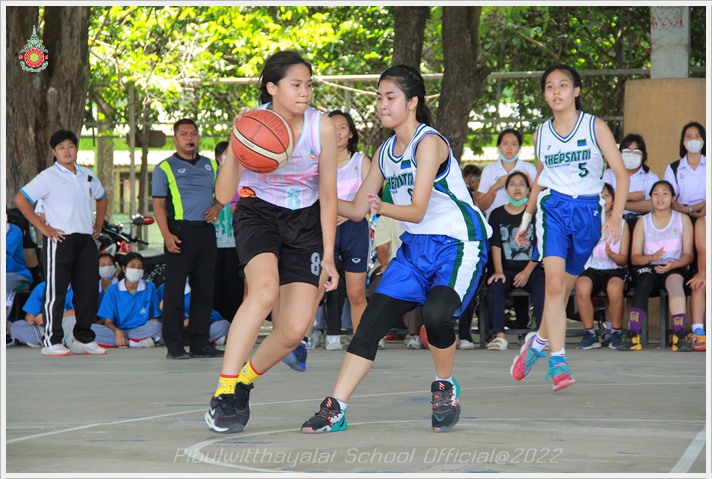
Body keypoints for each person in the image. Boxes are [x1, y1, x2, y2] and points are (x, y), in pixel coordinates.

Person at [301, 64, 491, 434]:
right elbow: (356, 208)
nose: (382, 105)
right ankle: (335, 408)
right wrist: (312, 195)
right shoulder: (386, 151)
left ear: (412, 102)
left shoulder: (429, 143)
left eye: (390, 97)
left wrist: (381, 207)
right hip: (415, 249)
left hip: (457, 242)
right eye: (378, 97)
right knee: (370, 324)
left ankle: (445, 386)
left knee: (437, 315)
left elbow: (417, 210)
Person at [205, 50, 338, 434]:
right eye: (297, 85)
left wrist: (328, 256)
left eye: (309, 84)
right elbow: (224, 192)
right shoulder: (252, 124)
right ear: (272, 88)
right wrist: (235, 145)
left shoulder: (321, 127)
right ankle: (225, 390)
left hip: (306, 221)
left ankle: (246, 380)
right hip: (257, 211)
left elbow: (328, 194)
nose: (305, 92)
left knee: (295, 328)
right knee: (263, 292)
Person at [511, 64, 629, 391]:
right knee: (552, 284)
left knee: (563, 290)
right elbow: (540, 179)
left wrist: (616, 216)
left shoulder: (595, 127)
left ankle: (537, 343)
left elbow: (621, 174)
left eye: (563, 85)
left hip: (589, 211)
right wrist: (525, 218)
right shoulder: (542, 133)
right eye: (550, 86)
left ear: (576, 90)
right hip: (553, 207)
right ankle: (558, 360)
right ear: (545, 94)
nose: (556, 91)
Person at [14, 129, 108, 357]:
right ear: (54, 152)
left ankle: (83, 338)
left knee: (87, 291)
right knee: (56, 291)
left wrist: (98, 225)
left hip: (86, 239)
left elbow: (102, 196)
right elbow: (21, 199)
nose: (67, 151)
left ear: (76, 149)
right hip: (60, 240)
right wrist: (44, 228)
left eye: (71, 146)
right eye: (61, 148)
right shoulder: (48, 176)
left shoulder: (87, 174)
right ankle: (52, 340)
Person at [152, 118, 224, 360]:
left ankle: (200, 343)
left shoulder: (209, 165)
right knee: (174, 291)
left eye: (193, 133)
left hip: (205, 231)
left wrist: (218, 206)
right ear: (175, 139)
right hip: (179, 233)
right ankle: (173, 345)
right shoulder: (164, 168)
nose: (190, 138)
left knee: (204, 288)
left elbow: (224, 191)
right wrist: (167, 235)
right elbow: (159, 205)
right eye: (184, 134)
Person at [621, 180, 694, 351]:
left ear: (673, 198)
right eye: (656, 194)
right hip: (648, 266)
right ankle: (634, 335)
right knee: (644, 281)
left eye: (665, 193)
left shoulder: (682, 219)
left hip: (674, 266)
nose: (660, 197)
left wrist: (672, 265)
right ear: (650, 198)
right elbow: (635, 258)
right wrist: (651, 257)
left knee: (675, 282)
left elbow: (688, 256)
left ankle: (679, 334)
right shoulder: (643, 222)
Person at [321, 110, 371, 350]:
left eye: (343, 127)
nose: (338, 132)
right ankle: (300, 339)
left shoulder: (361, 162)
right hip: (323, 228)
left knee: (356, 293)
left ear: (351, 133)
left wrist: (347, 212)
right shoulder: (317, 162)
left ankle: (361, 344)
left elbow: (371, 201)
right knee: (316, 288)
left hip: (354, 229)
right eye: (333, 127)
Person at [485, 171, 545, 351]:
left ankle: (541, 336)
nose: (517, 188)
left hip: (531, 268)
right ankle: (500, 337)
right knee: (495, 286)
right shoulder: (496, 214)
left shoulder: (537, 213)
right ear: (506, 189)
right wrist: (498, 270)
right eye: (512, 184)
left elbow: (540, 246)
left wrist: (527, 272)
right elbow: (495, 245)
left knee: (544, 286)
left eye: (521, 184)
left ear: (528, 189)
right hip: (506, 269)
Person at [574, 183, 630, 350]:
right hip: (591, 268)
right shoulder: (586, 222)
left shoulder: (622, 224)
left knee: (614, 288)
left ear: (614, 200)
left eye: (607, 196)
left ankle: (616, 334)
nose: (603, 200)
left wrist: (612, 255)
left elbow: (624, 260)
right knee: (582, 286)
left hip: (614, 269)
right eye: (599, 196)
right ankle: (590, 335)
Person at [92, 252, 162, 348]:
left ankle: (126, 342)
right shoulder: (113, 290)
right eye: (132, 266)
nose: (136, 270)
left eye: (139, 267)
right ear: (124, 269)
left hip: (141, 330)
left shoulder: (150, 287)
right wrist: (118, 332)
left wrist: (154, 323)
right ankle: (136, 343)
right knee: (91, 330)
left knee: (158, 326)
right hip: (118, 330)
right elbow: (108, 322)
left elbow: (157, 317)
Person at [212, 141, 243, 322]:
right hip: (214, 240)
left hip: (234, 240)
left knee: (233, 283)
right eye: (224, 154)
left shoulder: (240, 176)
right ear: (218, 157)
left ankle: (232, 323)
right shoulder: (211, 177)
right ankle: (216, 322)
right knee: (216, 282)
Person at [476, 128, 537, 219]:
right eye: (505, 144)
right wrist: (495, 187)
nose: (509, 148)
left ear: (520, 147)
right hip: (495, 223)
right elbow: (481, 206)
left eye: (514, 144)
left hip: (524, 222)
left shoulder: (529, 169)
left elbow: (539, 202)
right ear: (499, 146)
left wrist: (530, 183)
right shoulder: (489, 170)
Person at [602, 134, 659, 229]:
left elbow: (651, 205)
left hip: (642, 225)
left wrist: (616, 201)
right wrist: (634, 196)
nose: (631, 154)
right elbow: (604, 201)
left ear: (643, 155)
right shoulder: (608, 174)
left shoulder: (651, 177)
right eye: (627, 151)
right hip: (614, 223)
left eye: (636, 151)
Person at [157, 279, 231, 346]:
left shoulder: (198, 288)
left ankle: (191, 340)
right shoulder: (163, 289)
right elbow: (160, 318)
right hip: (176, 328)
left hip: (199, 327)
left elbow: (208, 316)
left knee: (224, 325)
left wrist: (187, 322)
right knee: (158, 328)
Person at [8, 282, 75, 348]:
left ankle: (55, 341)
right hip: (45, 328)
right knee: (16, 326)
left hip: (65, 324)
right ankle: (51, 341)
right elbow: (29, 314)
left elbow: (79, 312)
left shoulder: (77, 287)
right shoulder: (41, 287)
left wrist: (48, 316)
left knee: (73, 320)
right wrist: (30, 318)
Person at [664, 122, 706, 221]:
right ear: (683, 141)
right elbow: (671, 198)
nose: (693, 140)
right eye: (689, 136)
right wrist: (685, 210)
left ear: (703, 140)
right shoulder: (673, 168)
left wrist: (688, 209)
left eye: (697, 136)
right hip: (681, 216)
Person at [685, 216, 706, 351]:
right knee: (698, 285)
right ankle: (698, 334)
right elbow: (703, 250)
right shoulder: (703, 222)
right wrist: (703, 273)